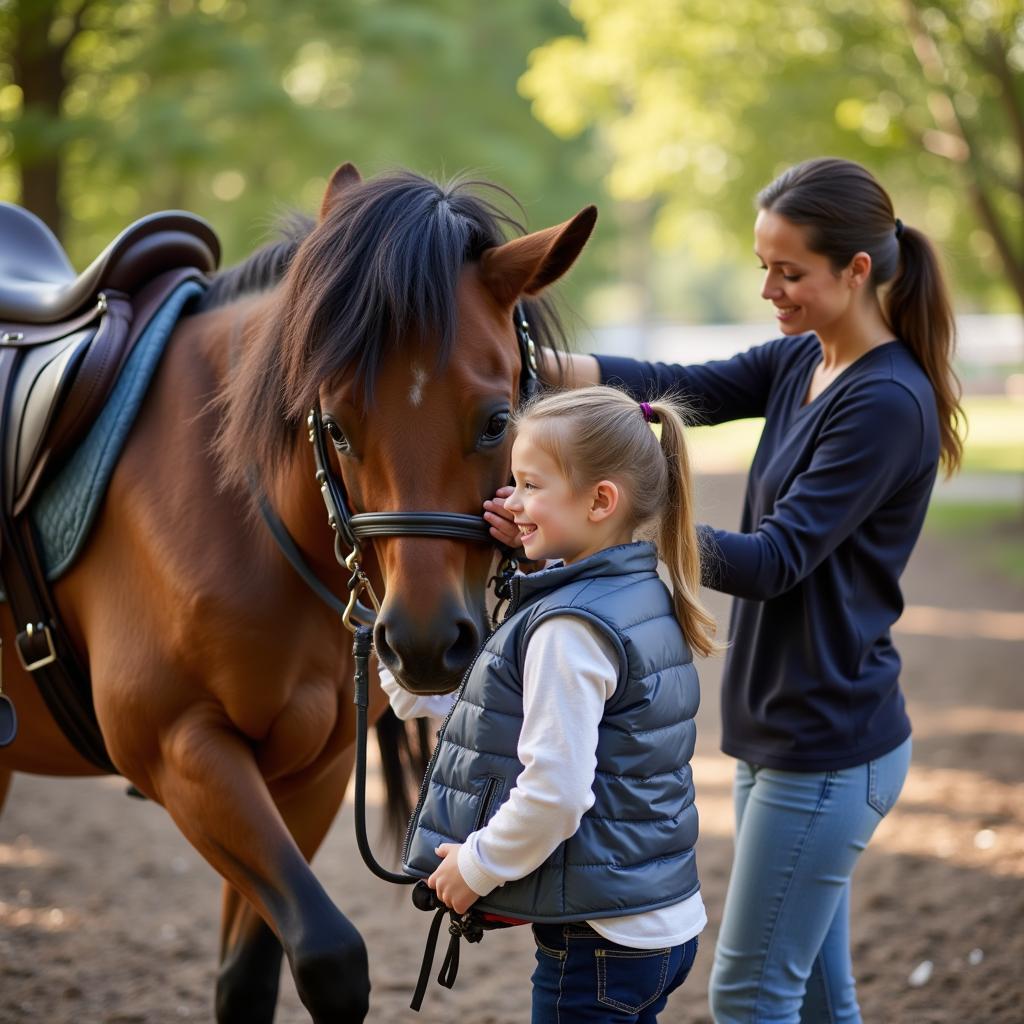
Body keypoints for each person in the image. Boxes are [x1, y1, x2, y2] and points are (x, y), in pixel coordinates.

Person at [485, 157, 964, 1024]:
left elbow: (777, 559)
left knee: (749, 994)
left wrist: (615, 524)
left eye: (791, 272)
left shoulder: (888, 402)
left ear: (857, 270)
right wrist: (522, 357)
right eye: (763, 268)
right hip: (780, 731)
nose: (771, 290)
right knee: (818, 995)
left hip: (828, 743)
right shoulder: (799, 362)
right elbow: (684, 385)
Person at [384, 385, 719, 1023]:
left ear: (601, 501)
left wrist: (475, 868)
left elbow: (555, 794)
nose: (512, 503)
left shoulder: (570, 627)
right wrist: (402, 669)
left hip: (599, 942)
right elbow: (515, 711)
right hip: (656, 916)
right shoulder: (636, 592)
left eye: (531, 485)